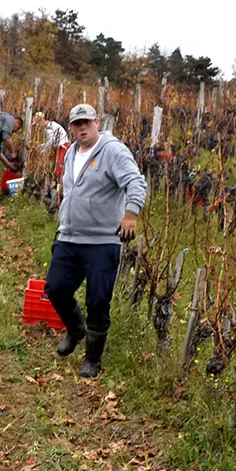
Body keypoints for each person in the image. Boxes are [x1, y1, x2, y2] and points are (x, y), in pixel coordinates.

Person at [45, 104, 147, 378]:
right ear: (71, 127)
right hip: (69, 236)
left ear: (97, 122)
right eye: (77, 124)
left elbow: (136, 183)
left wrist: (130, 214)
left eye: (86, 122)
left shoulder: (113, 151)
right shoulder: (70, 153)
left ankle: (93, 359)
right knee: (55, 288)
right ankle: (76, 329)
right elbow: (69, 188)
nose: (82, 128)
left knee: (98, 300)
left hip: (102, 241)